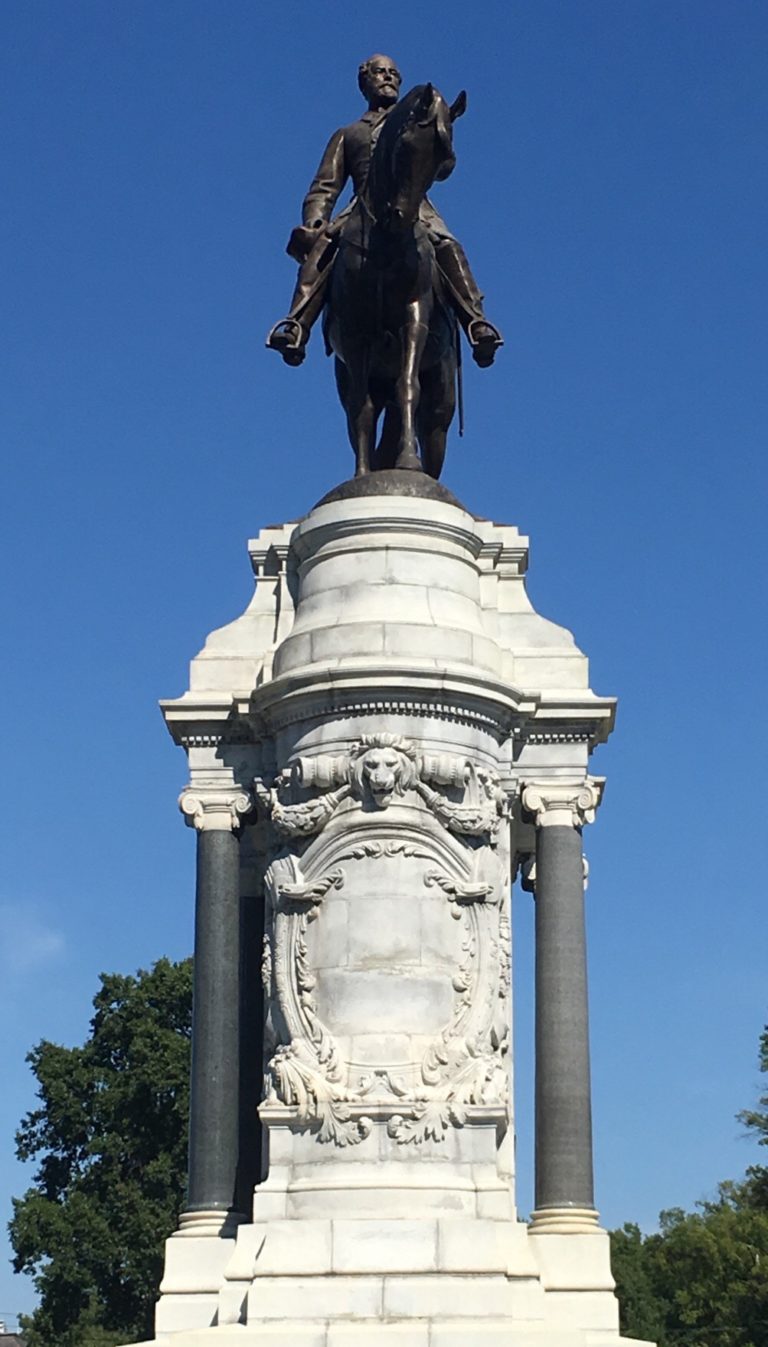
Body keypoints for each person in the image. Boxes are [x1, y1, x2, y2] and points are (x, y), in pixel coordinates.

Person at [266, 55, 503, 368]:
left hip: (416, 207)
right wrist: (316, 219)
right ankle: (297, 325)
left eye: (394, 73)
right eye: (380, 72)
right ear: (366, 82)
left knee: (448, 246)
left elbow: (441, 167)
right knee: (323, 251)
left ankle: (475, 322)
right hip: (359, 210)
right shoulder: (348, 134)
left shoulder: (416, 120)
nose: (388, 78)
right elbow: (325, 186)